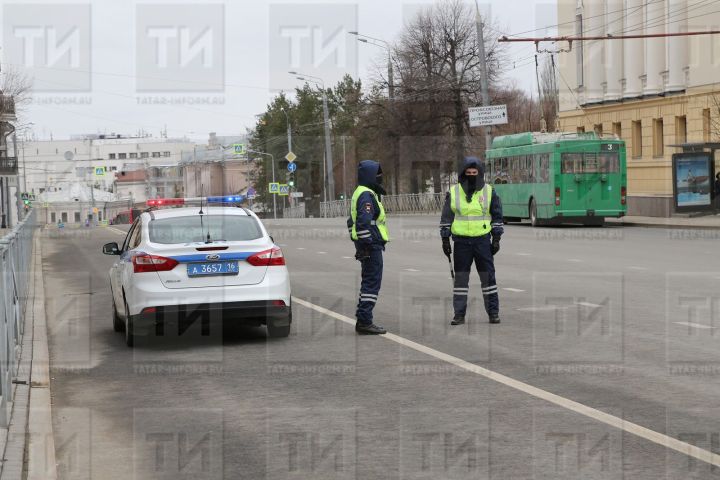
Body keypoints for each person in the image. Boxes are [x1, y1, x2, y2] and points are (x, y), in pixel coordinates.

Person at [439, 157, 504, 325]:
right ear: (463, 174)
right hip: (461, 242)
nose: (471, 175)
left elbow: (497, 215)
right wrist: (445, 239)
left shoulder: (489, 191)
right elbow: (446, 217)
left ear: (480, 173)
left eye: (475, 173)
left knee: (488, 279)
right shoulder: (454, 192)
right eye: (468, 173)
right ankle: (459, 315)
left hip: (482, 241)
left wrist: (496, 238)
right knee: (461, 280)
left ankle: (493, 313)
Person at [348, 160, 389, 335]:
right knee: (372, 283)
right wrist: (365, 245)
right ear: (370, 176)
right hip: (371, 245)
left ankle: (363, 318)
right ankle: (364, 321)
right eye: (377, 174)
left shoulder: (362, 192)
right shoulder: (366, 194)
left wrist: (357, 242)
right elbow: (364, 223)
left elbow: (351, 223)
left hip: (368, 244)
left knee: (369, 281)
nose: (380, 178)